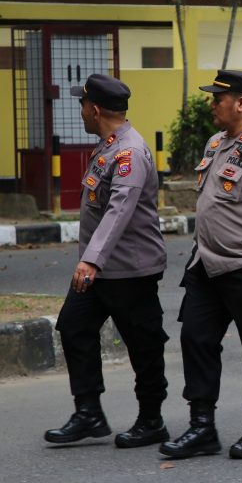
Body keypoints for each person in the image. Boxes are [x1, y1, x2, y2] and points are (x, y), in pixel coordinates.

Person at [160, 70, 242, 460]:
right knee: (196, 340)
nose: (212, 105)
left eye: (217, 98)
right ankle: (202, 426)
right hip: (207, 265)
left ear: (240, 103)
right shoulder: (217, 143)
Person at [44, 74, 170, 447]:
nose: (81, 111)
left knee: (143, 345)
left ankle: (151, 420)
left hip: (130, 269)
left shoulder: (129, 153)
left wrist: (91, 261)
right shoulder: (108, 147)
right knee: (73, 326)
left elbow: (119, 211)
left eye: (82, 105)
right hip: (100, 270)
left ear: (95, 109)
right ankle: (89, 414)